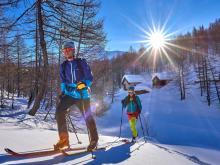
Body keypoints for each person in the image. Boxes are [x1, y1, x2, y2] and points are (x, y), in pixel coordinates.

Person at [54, 41, 98, 151]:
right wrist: (63, 92)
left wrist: (84, 84)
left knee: (87, 116)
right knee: (59, 111)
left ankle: (94, 140)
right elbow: (63, 81)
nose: (66, 52)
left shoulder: (81, 62)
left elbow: (89, 77)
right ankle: (64, 141)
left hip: (82, 94)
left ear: (73, 50)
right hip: (69, 95)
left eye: (68, 50)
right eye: (64, 50)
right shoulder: (63, 66)